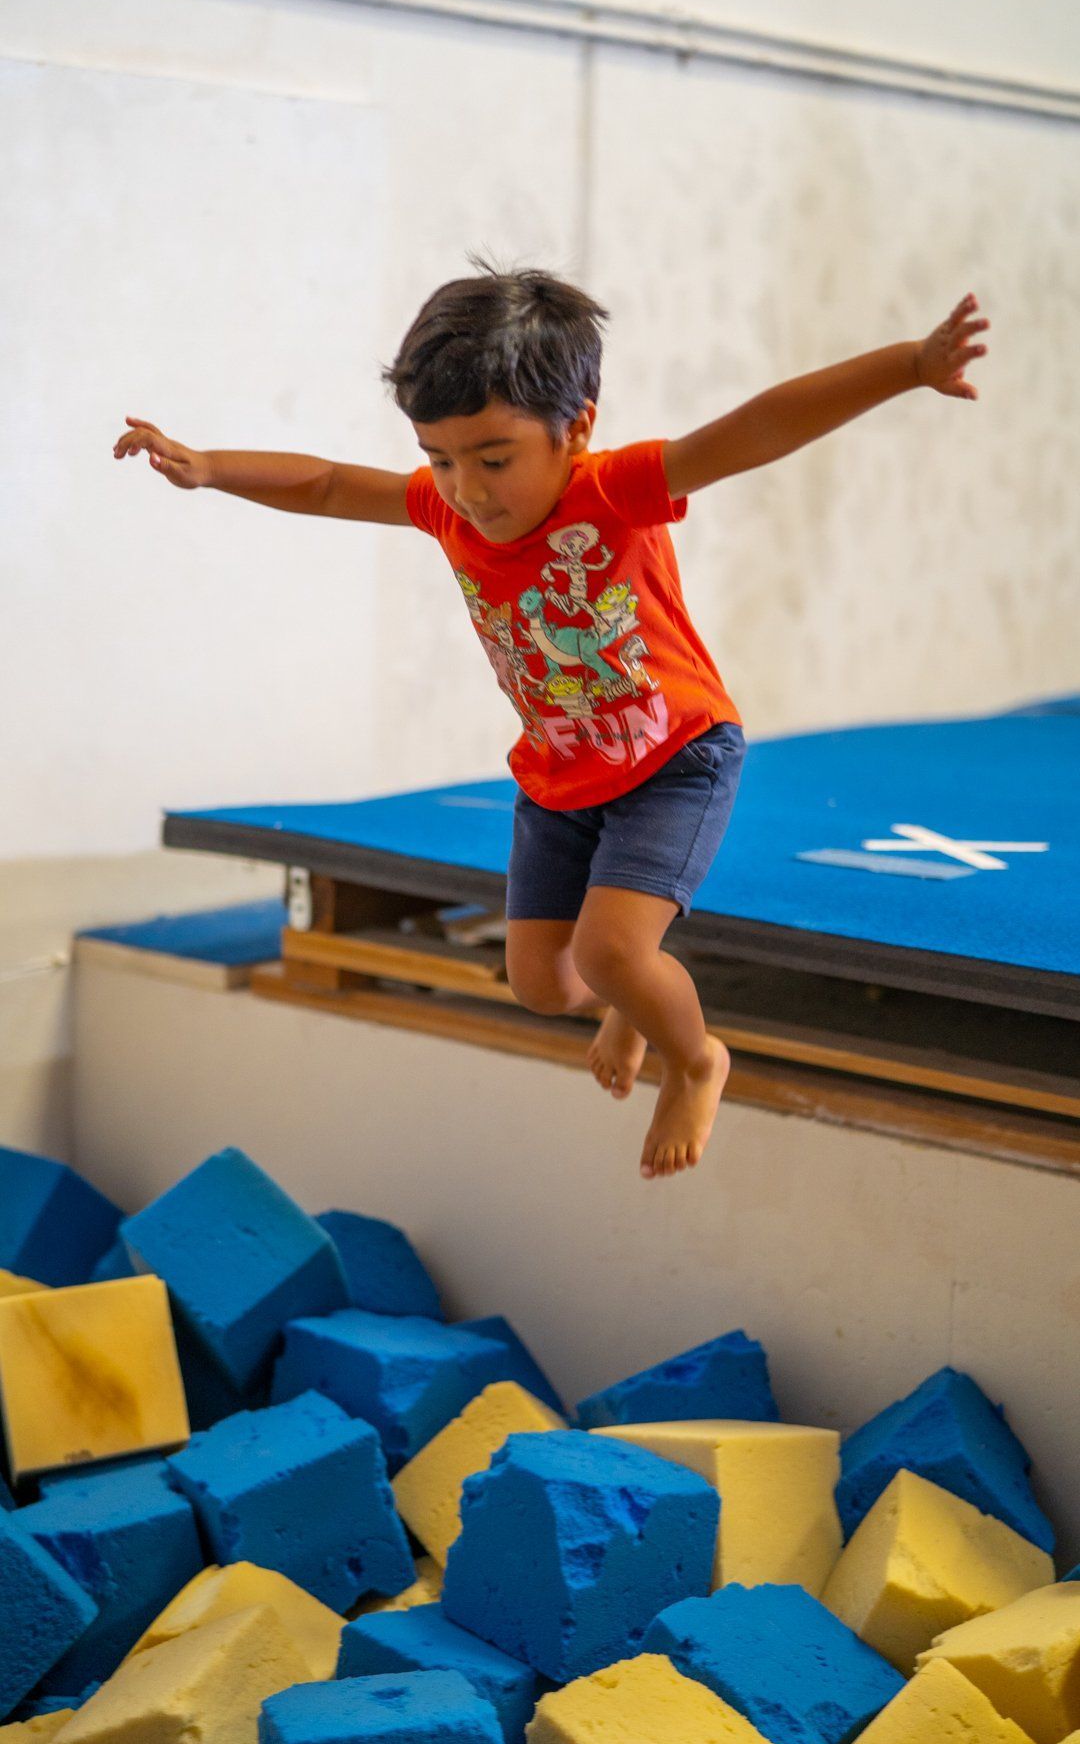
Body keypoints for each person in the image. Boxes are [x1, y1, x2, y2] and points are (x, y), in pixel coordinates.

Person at [113, 265, 989, 1180]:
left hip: (673, 757)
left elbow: (753, 432)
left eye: (494, 459)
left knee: (610, 951)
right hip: (561, 772)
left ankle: (696, 1058)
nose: (467, 491)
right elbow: (331, 484)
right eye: (440, 458)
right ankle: (634, 993)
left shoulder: (612, 491)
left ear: (577, 431)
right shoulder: (444, 511)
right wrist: (208, 467)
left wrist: (910, 365)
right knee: (546, 982)